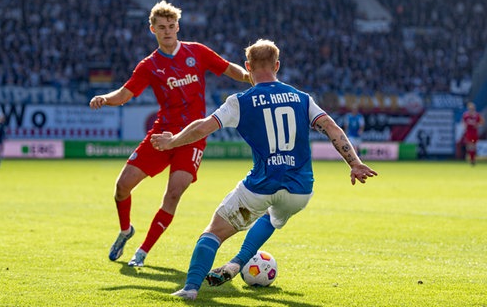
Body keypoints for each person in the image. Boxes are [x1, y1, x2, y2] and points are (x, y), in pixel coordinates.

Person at [150, 39, 378, 300]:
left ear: (247, 67)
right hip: (300, 191)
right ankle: (236, 263)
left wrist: (172, 141)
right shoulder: (302, 99)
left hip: (260, 188)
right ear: (277, 66)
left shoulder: (240, 101)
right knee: (271, 217)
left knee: (213, 233)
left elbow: (202, 127)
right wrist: (355, 163)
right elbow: (332, 128)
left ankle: (190, 289)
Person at [89, 0, 252, 267]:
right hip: (161, 135)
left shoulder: (196, 52)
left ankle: (141, 253)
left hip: (193, 136)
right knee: (122, 187)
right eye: (162, 27)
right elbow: (124, 94)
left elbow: (226, 67)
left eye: (172, 26)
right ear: (152, 29)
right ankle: (125, 230)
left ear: (178, 27)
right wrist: (104, 98)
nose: (167, 31)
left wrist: (248, 77)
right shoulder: (149, 66)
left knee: (173, 193)